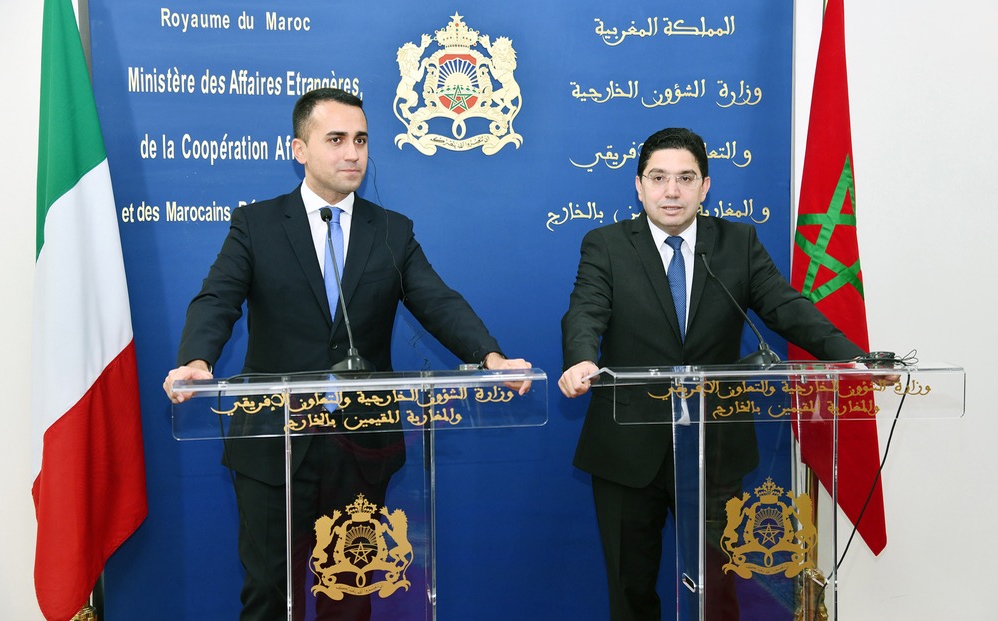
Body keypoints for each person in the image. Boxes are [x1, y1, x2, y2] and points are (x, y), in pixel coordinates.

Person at [163, 87, 530, 620]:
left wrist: (490, 357)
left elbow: (437, 301)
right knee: (269, 596)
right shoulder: (256, 225)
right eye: (336, 139)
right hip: (274, 443)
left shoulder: (392, 231)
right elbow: (218, 298)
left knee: (349, 598)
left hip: (360, 446)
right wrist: (198, 360)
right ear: (299, 149)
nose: (353, 153)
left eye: (360, 140)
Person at [558, 127, 866, 621]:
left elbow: (785, 308)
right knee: (630, 591)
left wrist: (852, 358)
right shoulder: (606, 245)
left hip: (714, 447)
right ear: (639, 186)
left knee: (718, 591)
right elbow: (585, 310)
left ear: (705, 186)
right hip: (626, 449)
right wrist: (580, 358)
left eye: (685, 178)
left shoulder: (737, 243)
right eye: (658, 178)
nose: (671, 191)